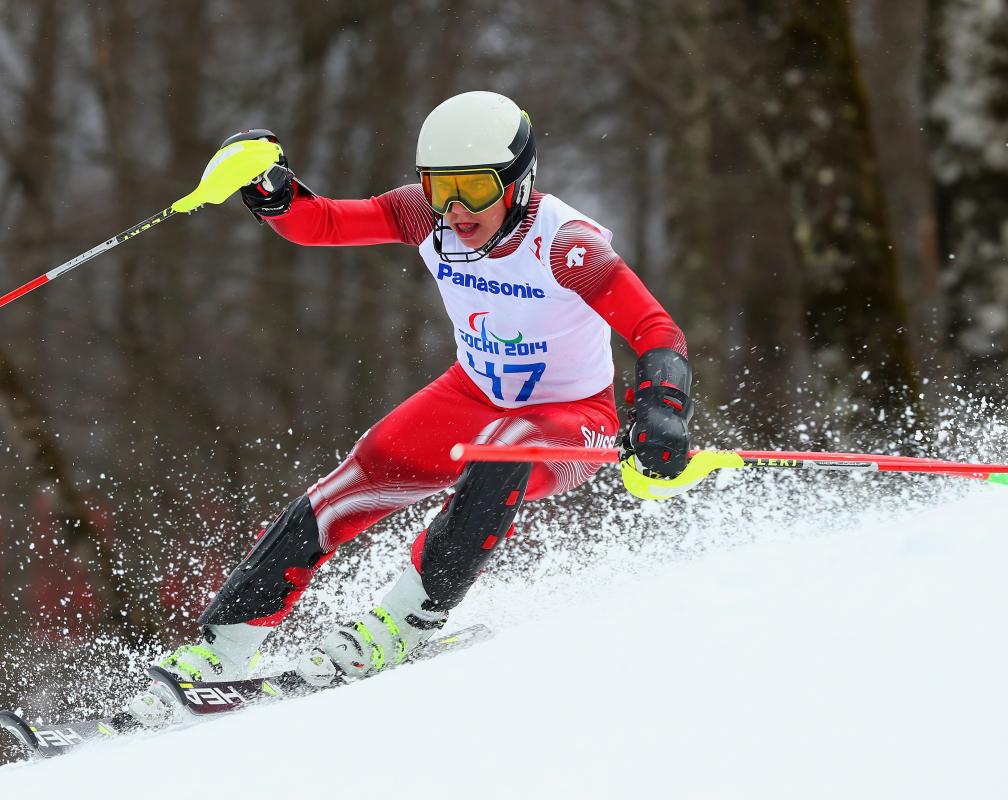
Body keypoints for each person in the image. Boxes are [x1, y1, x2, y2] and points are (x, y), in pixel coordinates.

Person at [127, 91, 693, 726]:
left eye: (474, 189)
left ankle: (406, 620)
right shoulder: (426, 218)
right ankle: (221, 648)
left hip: (571, 419)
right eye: (439, 186)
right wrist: (273, 192)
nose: (454, 208)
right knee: (348, 484)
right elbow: (325, 223)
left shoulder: (566, 246)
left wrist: (662, 410)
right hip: (471, 394)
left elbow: (655, 329)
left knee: (504, 447)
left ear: (519, 183)